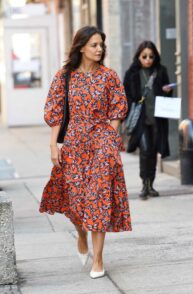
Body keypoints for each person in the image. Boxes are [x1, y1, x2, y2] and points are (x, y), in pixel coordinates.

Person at [39, 26, 132, 279]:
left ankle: (99, 259)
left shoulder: (109, 76)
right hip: (74, 144)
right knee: (77, 202)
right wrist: (53, 146)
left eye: (101, 44)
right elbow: (55, 112)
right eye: (94, 45)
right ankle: (81, 236)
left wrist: (110, 137)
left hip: (102, 143)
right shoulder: (64, 77)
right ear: (81, 47)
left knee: (98, 200)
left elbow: (118, 109)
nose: (99, 49)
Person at [123, 41, 172, 200]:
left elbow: (167, 96)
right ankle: (145, 184)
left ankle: (151, 184)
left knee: (153, 152)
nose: (148, 59)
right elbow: (125, 95)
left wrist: (167, 91)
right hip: (141, 120)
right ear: (138, 56)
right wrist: (132, 106)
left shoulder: (161, 71)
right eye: (144, 56)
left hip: (157, 118)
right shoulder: (132, 73)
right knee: (145, 151)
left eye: (151, 56)